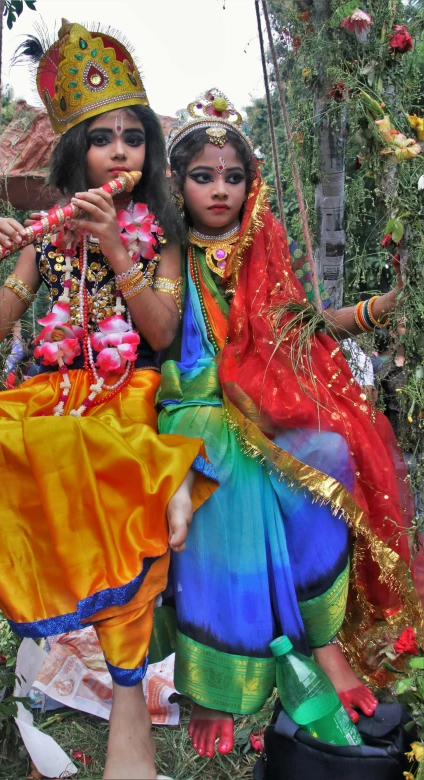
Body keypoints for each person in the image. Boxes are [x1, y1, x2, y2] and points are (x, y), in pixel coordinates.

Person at [0, 24, 216, 780]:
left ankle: (127, 701)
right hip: (52, 391)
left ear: (149, 150)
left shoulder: (164, 235)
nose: (119, 151)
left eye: (132, 137)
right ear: (75, 153)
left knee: (99, 465)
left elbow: (159, 328)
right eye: (101, 138)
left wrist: (118, 250)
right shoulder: (48, 233)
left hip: (128, 392)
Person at [156, 88, 424, 759]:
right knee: (234, 469)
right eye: (202, 176)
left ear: (251, 184)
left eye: (232, 176)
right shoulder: (161, 251)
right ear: (176, 184)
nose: (219, 190)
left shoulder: (258, 250)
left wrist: (377, 308)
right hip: (189, 407)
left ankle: (317, 638)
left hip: (257, 404)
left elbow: (298, 327)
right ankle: (221, 684)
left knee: (329, 453)